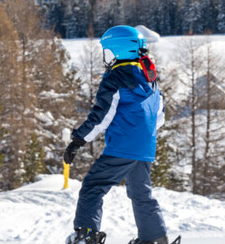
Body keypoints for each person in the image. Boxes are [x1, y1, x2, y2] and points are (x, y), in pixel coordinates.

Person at [63, 25, 176, 244]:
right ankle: (154, 239)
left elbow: (101, 116)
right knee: (141, 193)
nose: (106, 57)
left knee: (93, 187)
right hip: (144, 148)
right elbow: (159, 116)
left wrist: (78, 140)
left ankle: (86, 236)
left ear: (119, 50)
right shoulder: (150, 78)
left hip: (122, 147)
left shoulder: (115, 78)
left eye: (108, 51)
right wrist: (141, 135)